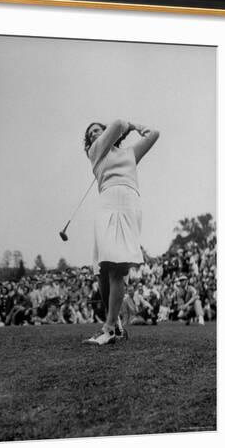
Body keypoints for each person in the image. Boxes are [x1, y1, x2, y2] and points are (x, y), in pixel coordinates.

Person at [82, 119, 160, 345]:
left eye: (98, 130)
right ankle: (115, 324)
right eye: (91, 133)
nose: (95, 134)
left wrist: (136, 126)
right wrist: (126, 126)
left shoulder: (129, 153)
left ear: (106, 133)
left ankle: (109, 328)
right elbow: (117, 123)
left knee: (118, 266)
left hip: (128, 202)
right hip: (106, 202)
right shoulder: (95, 151)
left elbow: (154, 132)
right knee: (102, 269)